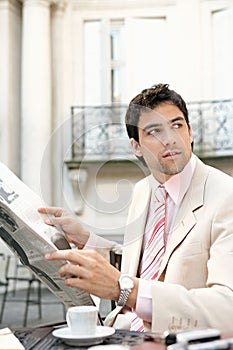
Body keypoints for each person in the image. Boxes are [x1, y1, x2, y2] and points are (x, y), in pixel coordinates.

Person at [38, 83, 233, 333]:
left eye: (177, 125)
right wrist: (86, 239)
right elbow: (145, 265)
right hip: (121, 331)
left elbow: (228, 310)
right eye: (154, 131)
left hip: (172, 340)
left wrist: (125, 290)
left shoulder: (226, 196)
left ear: (191, 131)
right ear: (136, 147)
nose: (170, 139)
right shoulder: (143, 191)